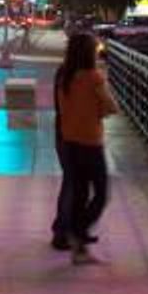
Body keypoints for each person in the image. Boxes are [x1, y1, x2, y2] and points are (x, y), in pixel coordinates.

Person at [54, 31, 117, 264]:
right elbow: (112, 107)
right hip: (90, 142)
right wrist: (96, 110)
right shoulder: (94, 77)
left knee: (79, 193)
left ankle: (78, 248)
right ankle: (77, 230)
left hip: (69, 140)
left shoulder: (64, 77)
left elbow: (63, 109)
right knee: (100, 194)